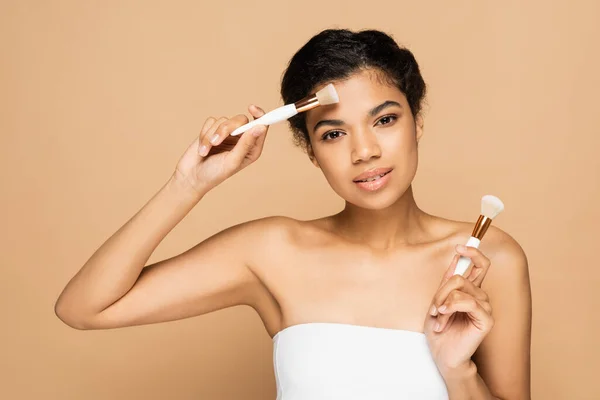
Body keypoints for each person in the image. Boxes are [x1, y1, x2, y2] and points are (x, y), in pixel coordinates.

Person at [55, 29, 532, 399]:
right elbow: (84, 308)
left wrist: (458, 372)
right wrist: (189, 183)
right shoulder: (271, 252)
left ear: (417, 122)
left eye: (384, 120)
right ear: (311, 152)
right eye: (333, 133)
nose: (364, 151)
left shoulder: (487, 260)